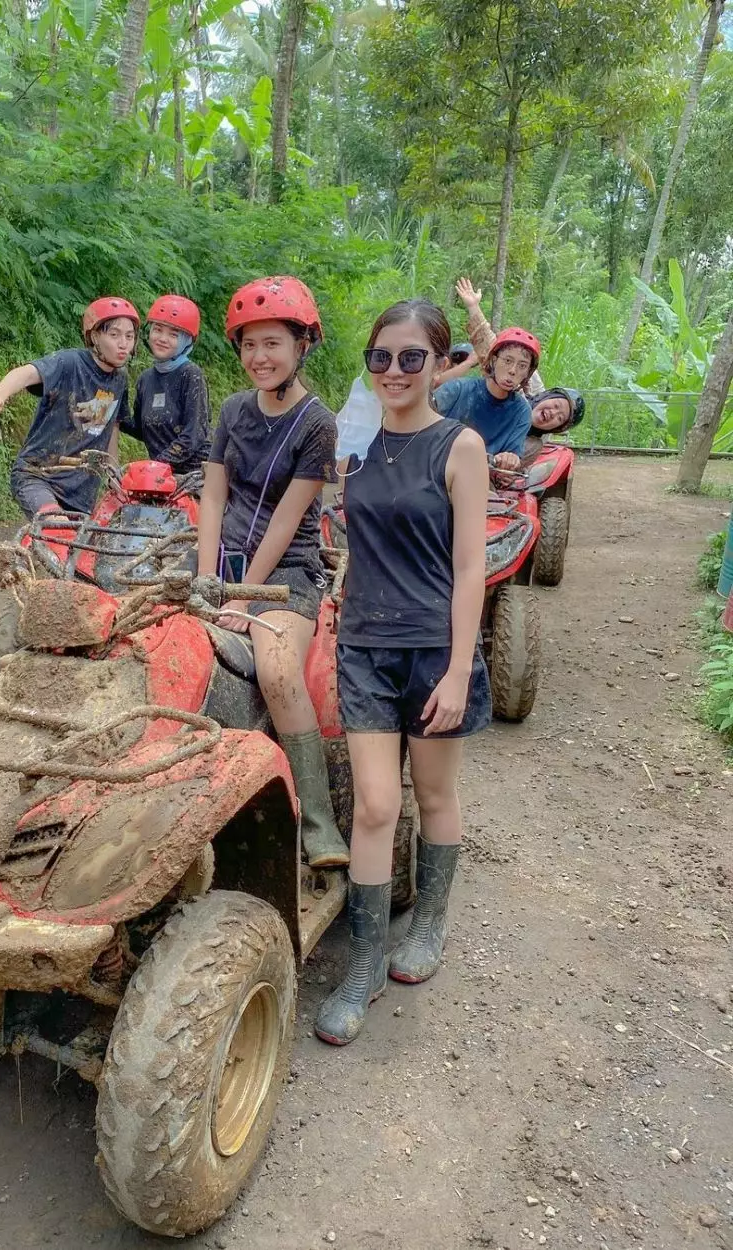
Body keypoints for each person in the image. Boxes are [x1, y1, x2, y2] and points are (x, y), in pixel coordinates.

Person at [315, 298, 491, 1046]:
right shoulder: (352, 441)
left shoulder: (460, 446)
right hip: (361, 645)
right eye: (380, 357)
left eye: (412, 357)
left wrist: (458, 671)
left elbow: (471, 567)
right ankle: (363, 964)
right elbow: (313, 508)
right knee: (376, 806)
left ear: (441, 364)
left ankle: (429, 925)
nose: (394, 371)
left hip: (432, 649)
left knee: (434, 792)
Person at [196, 276, 350, 870]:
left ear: (301, 346)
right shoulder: (232, 410)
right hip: (221, 563)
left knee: (278, 666)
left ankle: (316, 820)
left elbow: (289, 518)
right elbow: (213, 498)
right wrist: (207, 578)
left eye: (272, 344)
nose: (258, 357)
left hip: (287, 572)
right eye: (248, 345)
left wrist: (237, 595)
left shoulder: (318, 423)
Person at [0, 297, 139, 518]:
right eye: (114, 335)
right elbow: (26, 373)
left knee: (74, 549)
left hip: (81, 493)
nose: (123, 343)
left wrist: (114, 474)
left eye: (129, 336)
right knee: (56, 527)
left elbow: (111, 428)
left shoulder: (119, 380)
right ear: (94, 336)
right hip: (38, 476)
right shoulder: (69, 362)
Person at [121, 295, 211, 476]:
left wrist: (155, 466)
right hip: (161, 477)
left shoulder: (191, 374)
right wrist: (115, 404)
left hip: (194, 475)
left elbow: (193, 435)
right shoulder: (145, 379)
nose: (162, 338)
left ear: (187, 340)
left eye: (173, 334)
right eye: (158, 330)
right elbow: (142, 430)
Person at [433, 323, 541, 471]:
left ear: (528, 373)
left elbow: (513, 454)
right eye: (507, 361)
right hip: (435, 465)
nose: (512, 370)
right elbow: (421, 422)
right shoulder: (457, 389)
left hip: (481, 477)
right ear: (494, 360)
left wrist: (510, 459)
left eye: (522, 365)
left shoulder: (522, 412)